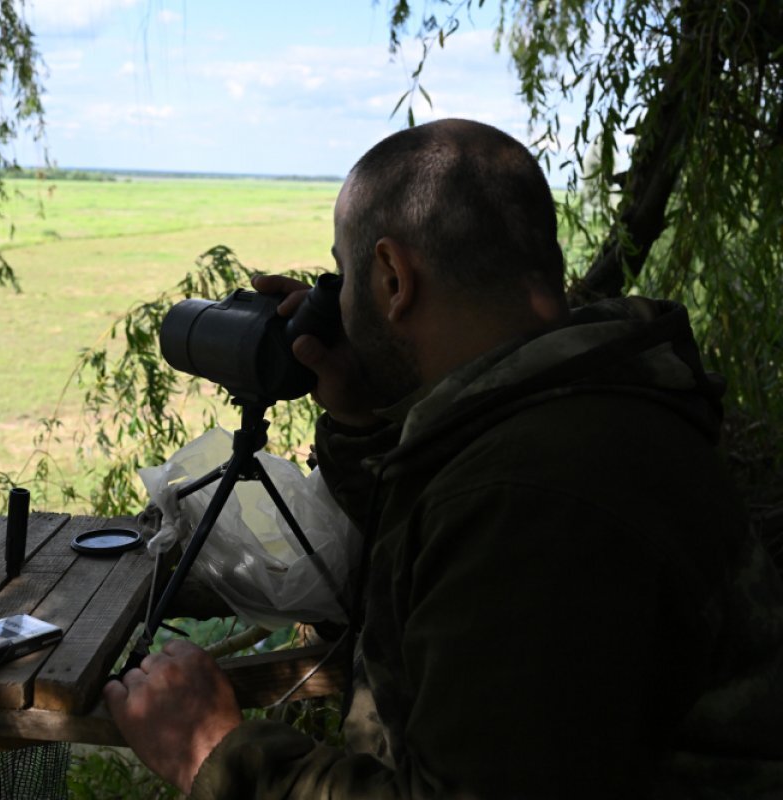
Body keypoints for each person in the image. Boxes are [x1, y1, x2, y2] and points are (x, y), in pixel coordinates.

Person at [103, 118, 783, 798]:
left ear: (394, 278)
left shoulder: (530, 498)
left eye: (344, 276)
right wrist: (362, 419)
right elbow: (423, 575)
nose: (333, 304)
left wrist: (220, 755)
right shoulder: (561, 414)